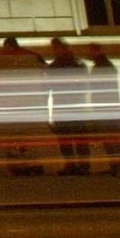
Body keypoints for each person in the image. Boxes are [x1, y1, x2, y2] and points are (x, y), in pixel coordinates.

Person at [0, 36, 46, 175]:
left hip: (15, 103)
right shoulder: (32, 56)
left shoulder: (8, 59)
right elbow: (43, 71)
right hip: (30, 102)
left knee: (17, 136)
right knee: (26, 136)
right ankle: (31, 163)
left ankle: (21, 164)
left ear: (9, 46)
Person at [44, 37, 91, 175]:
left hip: (65, 104)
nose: (53, 50)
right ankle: (82, 165)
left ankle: (75, 165)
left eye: (55, 48)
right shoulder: (77, 63)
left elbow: (50, 85)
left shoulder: (57, 66)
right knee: (76, 137)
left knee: (68, 137)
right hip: (74, 104)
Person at [86, 45, 120, 176]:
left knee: (113, 138)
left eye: (91, 51)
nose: (89, 54)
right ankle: (117, 166)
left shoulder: (102, 66)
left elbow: (100, 87)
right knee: (110, 137)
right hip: (108, 106)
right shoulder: (104, 65)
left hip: (106, 106)